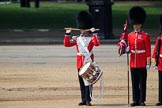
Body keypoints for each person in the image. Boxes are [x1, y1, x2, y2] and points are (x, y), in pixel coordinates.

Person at [64, 10, 100, 106]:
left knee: (88, 81)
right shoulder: (77, 38)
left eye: (83, 28)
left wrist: (95, 33)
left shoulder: (92, 37)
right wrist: (68, 34)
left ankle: (88, 99)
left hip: (88, 61)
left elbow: (97, 44)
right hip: (80, 62)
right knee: (81, 82)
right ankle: (84, 99)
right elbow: (67, 44)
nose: (81, 30)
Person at [118, 6, 151, 107]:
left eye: (138, 25)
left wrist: (148, 62)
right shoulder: (130, 36)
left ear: (141, 25)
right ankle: (135, 100)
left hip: (142, 62)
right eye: (135, 25)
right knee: (134, 82)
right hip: (133, 62)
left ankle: (142, 100)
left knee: (142, 83)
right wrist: (126, 50)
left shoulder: (145, 36)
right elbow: (128, 47)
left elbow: (148, 51)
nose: (136, 26)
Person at [152, 14, 162, 106]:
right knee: (161, 83)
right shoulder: (159, 38)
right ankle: (161, 99)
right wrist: (154, 63)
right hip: (161, 63)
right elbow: (156, 51)